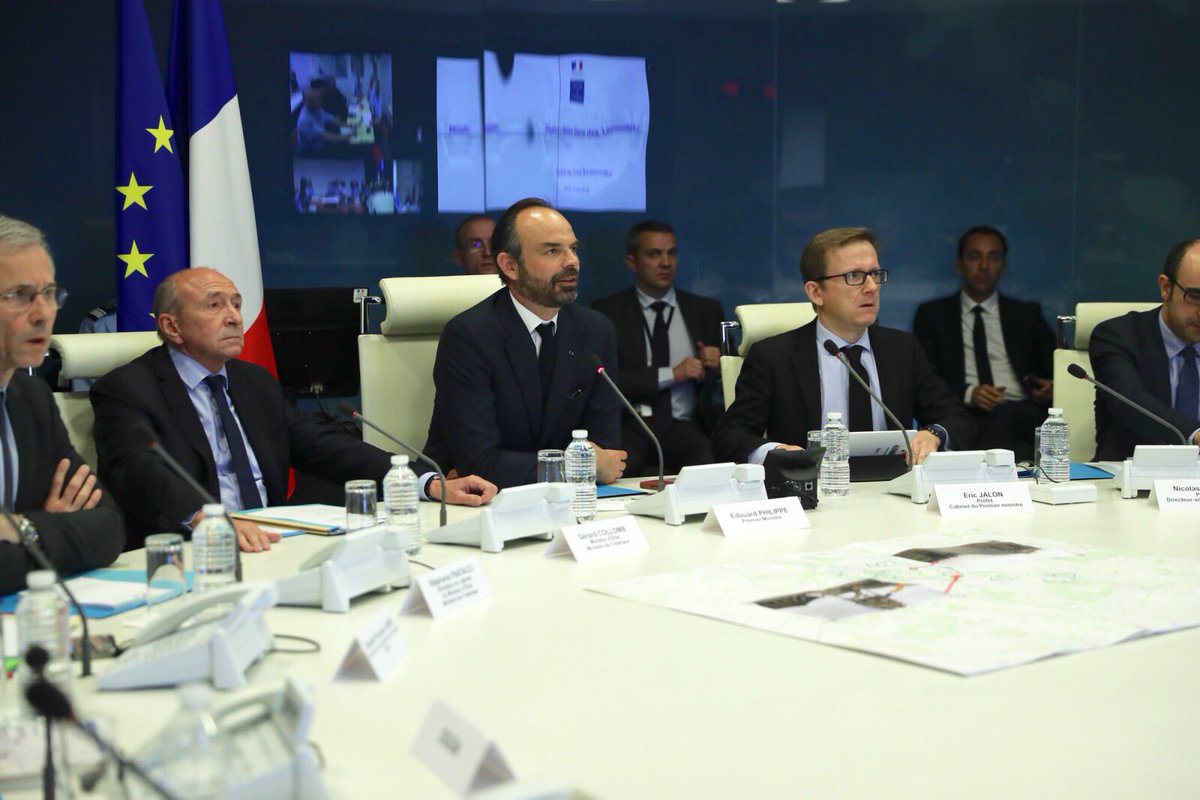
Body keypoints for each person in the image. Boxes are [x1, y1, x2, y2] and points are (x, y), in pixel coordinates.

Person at [91, 268, 496, 552]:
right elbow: (140, 469)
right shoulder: (127, 390)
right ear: (172, 327)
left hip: (273, 541)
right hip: (191, 551)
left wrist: (425, 482)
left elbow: (323, 446)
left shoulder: (253, 382)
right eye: (215, 306)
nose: (234, 317)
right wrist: (206, 517)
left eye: (236, 304)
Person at [713, 226, 972, 467]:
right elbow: (730, 436)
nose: (871, 287)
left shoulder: (902, 349)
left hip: (894, 489)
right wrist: (778, 452)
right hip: (812, 490)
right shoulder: (774, 357)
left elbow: (956, 418)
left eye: (875, 274)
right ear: (816, 292)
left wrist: (934, 434)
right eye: (854, 276)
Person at [424, 198, 626, 488]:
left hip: (569, 500)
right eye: (552, 251)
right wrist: (578, 465)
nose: (571, 261)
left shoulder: (595, 331)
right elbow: (479, 463)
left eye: (573, 248)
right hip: (475, 502)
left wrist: (593, 464)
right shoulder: (469, 336)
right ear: (510, 266)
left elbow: (606, 452)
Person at [0, 215, 124, 594]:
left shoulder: (32, 398)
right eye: (19, 295)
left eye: (49, 293)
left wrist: (25, 528)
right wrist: (55, 535)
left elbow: (109, 528)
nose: (43, 313)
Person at [591, 221, 725, 475]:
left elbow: (731, 378)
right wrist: (673, 374)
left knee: (709, 471)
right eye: (654, 254)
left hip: (687, 425)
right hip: (633, 424)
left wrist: (719, 365)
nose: (665, 263)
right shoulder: (607, 313)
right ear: (632, 262)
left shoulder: (705, 310)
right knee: (616, 471)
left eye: (671, 253)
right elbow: (608, 379)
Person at [911, 225, 1055, 461]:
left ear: (1003, 266)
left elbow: (1057, 369)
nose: (984, 266)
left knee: (1008, 417)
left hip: (1022, 411)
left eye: (993, 257)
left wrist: (1049, 388)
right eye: (975, 256)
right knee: (1007, 440)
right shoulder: (933, 315)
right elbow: (925, 380)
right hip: (963, 411)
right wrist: (970, 393)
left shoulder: (1026, 315)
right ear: (959, 264)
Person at [1090, 238, 1200, 460]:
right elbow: (1130, 402)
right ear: (1166, 288)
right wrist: (1195, 434)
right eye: (1195, 297)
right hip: (1129, 476)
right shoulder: (1118, 337)